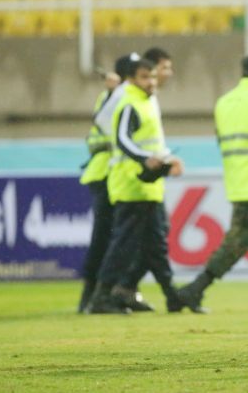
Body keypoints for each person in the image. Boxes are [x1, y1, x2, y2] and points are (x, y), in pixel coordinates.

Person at [177, 57, 248, 314]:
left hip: (236, 179)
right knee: (240, 240)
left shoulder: (224, 102)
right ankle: (195, 288)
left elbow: (221, 140)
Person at [87, 58, 186, 314]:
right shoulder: (129, 102)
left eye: (152, 76)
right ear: (131, 79)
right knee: (124, 245)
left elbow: (151, 143)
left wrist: (167, 161)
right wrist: (145, 159)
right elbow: (122, 140)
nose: (151, 82)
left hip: (147, 185)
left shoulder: (146, 101)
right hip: (131, 184)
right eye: (145, 77)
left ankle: (170, 296)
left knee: (156, 244)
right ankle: (101, 297)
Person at [77, 54, 135, 312]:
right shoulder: (112, 96)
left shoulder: (123, 95)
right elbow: (104, 126)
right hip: (104, 174)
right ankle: (90, 295)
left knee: (118, 238)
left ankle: (112, 292)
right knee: (104, 238)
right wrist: (114, 93)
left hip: (115, 175)